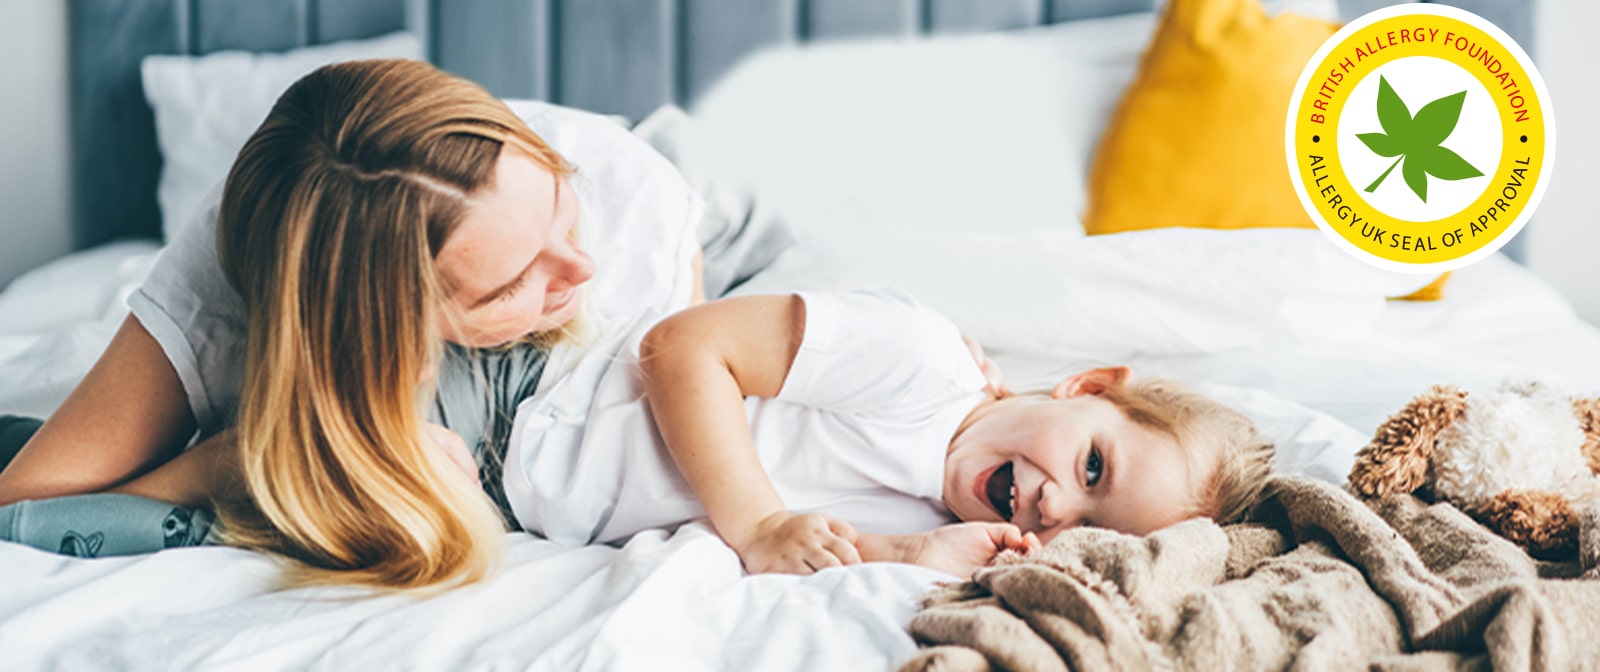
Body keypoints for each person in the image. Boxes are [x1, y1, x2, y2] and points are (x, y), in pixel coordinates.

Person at [0, 59, 707, 589]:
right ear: (385, 333)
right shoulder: (221, 283)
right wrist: (235, 458)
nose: (581, 267)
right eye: (511, 283)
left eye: (561, 205)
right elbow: (26, 504)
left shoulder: (633, 218)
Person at [503, 288, 1276, 578]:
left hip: (515, 499)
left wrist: (905, 554)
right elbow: (682, 346)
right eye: (1094, 467)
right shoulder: (921, 363)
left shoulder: (945, 527)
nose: (1055, 507)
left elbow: (803, 544)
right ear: (1088, 386)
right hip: (528, 402)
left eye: (1088, 528)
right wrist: (760, 523)